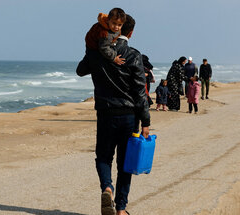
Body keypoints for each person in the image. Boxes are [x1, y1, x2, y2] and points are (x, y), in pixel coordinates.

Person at [77, 14, 150, 215]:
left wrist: (90, 50)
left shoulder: (96, 52)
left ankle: (107, 188)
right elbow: (139, 91)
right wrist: (146, 121)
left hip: (105, 113)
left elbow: (80, 70)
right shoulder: (133, 54)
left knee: (103, 157)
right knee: (125, 162)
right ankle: (121, 209)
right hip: (129, 116)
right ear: (131, 32)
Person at [76, 8, 126, 76]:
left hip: (97, 42)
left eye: (119, 25)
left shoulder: (111, 29)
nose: (116, 27)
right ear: (108, 20)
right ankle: (83, 70)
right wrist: (114, 58)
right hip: (93, 47)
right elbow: (103, 48)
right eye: (114, 23)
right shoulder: (105, 34)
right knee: (90, 63)